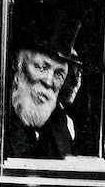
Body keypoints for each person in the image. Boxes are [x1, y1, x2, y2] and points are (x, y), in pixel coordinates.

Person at [6, 17, 82, 159]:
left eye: (59, 73)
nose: (49, 81)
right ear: (17, 66)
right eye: (41, 67)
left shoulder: (61, 124)